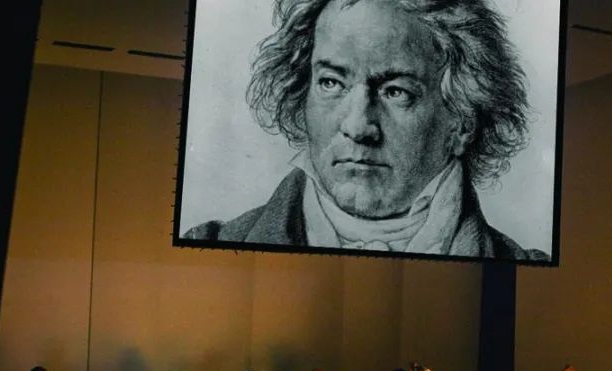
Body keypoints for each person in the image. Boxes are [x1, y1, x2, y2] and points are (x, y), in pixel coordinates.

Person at [183, 0, 546, 261]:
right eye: (331, 83)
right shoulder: (211, 243)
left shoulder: (523, 264)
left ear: (463, 121)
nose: (358, 127)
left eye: (396, 92)